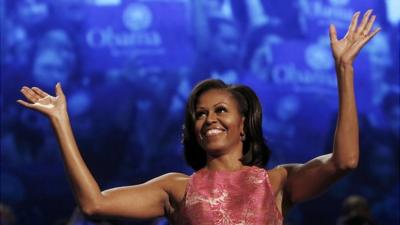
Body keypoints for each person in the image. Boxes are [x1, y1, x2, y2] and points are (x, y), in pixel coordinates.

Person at [17, 10, 380, 224]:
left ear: (243, 124)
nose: (209, 119)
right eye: (200, 113)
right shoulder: (176, 188)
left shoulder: (277, 182)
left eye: (220, 110)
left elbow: (345, 161)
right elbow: (93, 203)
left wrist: (344, 68)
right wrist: (61, 120)